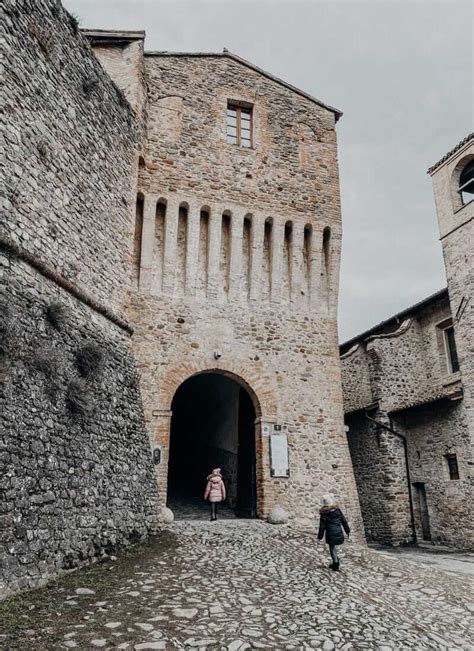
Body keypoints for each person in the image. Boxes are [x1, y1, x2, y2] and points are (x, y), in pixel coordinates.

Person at [317, 493, 350, 571]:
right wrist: (347, 531)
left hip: (330, 533)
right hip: (338, 531)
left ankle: (335, 563)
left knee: (332, 547)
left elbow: (322, 526)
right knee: (334, 547)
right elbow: (344, 521)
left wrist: (320, 537)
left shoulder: (324, 514)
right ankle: (335, 561)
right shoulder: (338, 511)